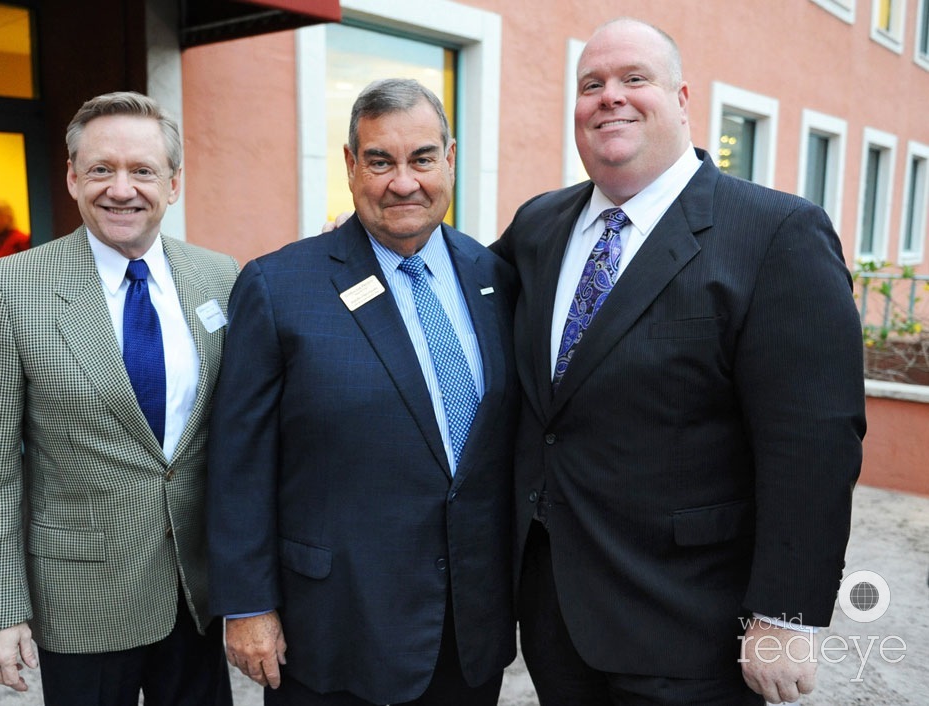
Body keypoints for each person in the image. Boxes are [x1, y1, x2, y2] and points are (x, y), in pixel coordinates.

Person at [491, 17, 866, 706]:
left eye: (635, 79)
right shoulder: (539, 227)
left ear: (684, 98)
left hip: (693, 628)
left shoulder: (776, 235)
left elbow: (815, 442)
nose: (611, 97)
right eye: (591, 84)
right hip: (558, 618)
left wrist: (786, 615)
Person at [206, 78, 519, 706]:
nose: (404, 182)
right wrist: (246, 606)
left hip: (468, 633)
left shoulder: (494, 276)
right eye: (380, 161)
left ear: (449, 159)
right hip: (334, 631)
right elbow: (237, 462)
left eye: (422, 158)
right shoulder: (278, 285)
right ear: (351, 166)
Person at [0, 91, 239, 706]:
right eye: (101, 169)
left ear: (173, 184)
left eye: (142, 170)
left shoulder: (222, 277)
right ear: (71, 177)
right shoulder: (9, 287)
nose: (121, 189)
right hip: (83, 598)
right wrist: (0, 610)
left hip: (198, 592)